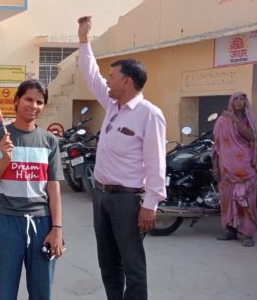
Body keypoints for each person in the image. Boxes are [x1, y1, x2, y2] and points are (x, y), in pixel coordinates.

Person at [78, 16, 166, 300]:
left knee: (133, 267)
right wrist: (84, 40)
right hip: (101, 196)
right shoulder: (112, 104)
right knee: (108, 265)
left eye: (112, 77)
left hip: (129, 200)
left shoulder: (148, 114)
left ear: (127, 81)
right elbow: (91, 75)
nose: (107, 80)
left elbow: (156, 163)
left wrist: (150, 204)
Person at [0, 79, 64, 300]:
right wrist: (5, 159)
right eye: (28, 99)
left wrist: (57, 229)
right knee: (3, 292)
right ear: (16, 101)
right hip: (5, 222)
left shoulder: (49, 141)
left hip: (42, 223)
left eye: (39, 101)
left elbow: (53, 187)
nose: (33, 106)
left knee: (41, 292)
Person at [212, 92, 257, 247]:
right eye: (236, 99)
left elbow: (251, 138)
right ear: (231, 102)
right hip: (226, 167)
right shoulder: (221, 120)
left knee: (246, 201)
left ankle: (247, 234)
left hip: (244, 168)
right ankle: (231, 231)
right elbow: (217, 146)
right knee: (227, 201)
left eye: (242, 99)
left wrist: (236, 120)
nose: (239, 102)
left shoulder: (247, 119)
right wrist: (215, 166)